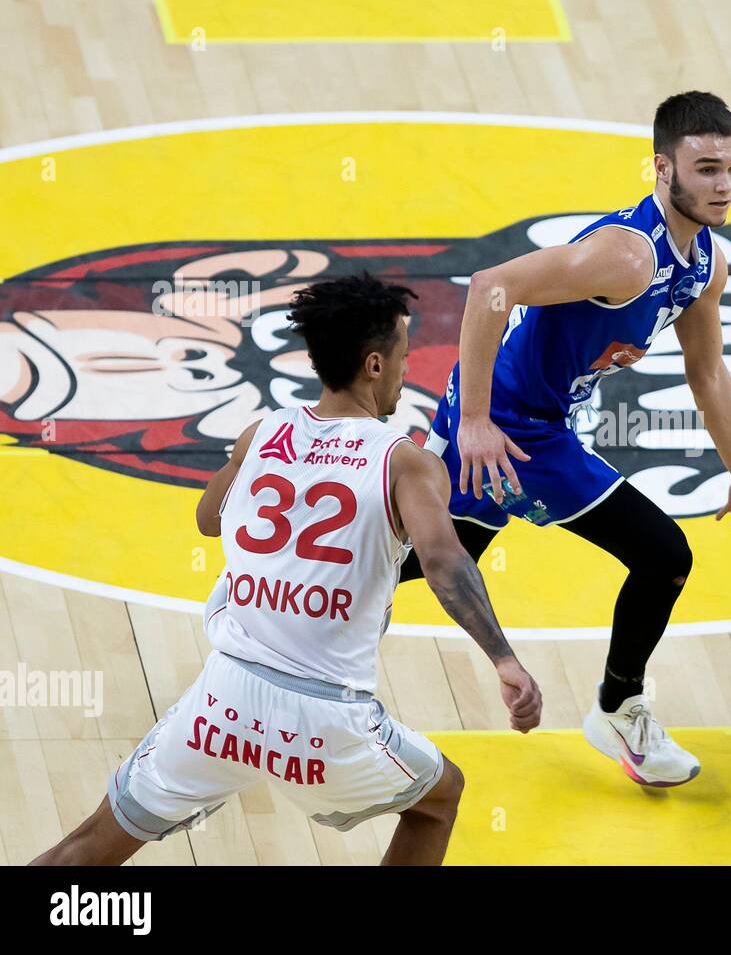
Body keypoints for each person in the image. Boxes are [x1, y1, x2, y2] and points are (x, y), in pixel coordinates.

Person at [33, 274, 540, 866]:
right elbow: (445, 562)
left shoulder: (263, 432)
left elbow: (206, 518)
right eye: (403, 357)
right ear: (375, 365)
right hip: (325, 718)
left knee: (87, 847)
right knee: (438, 799)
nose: (407, 371)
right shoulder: (405, 462)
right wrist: (504, 659)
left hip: (221, 704)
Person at [402, 91, 731, 787]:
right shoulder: (626, 257)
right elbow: (490, 287)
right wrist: (477, 422)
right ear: (661, 171)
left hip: (538, 421)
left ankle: (287, 578)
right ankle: (618, 707)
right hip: (515, 429)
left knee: (427, 559)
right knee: (663, 554)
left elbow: (707, 373)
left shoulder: (706, 262)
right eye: (705, 168)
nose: (724, 184)